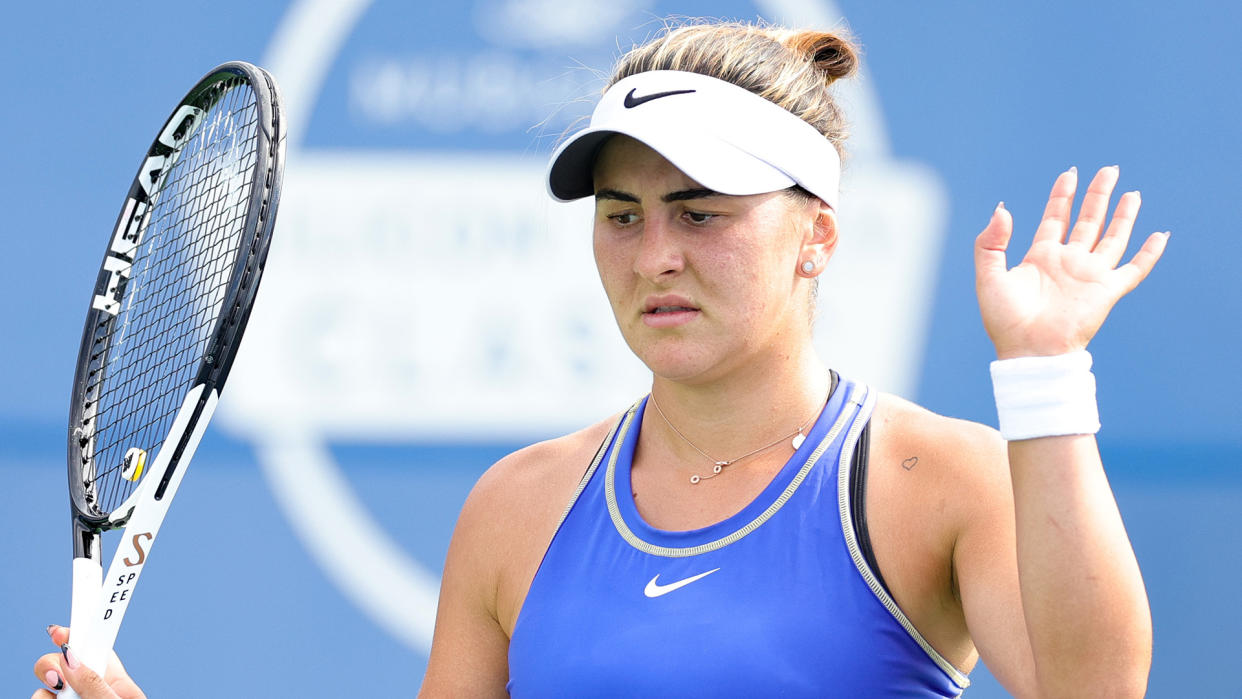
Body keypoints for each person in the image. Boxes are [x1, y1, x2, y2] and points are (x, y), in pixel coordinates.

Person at [32, 20, 1166, 698]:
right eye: (621, 215)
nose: (656, 255)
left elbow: (1097, 692)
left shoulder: (933, 481)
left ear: (817, 231)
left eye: (702, 211)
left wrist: (1045, 376)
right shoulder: (519, 507)